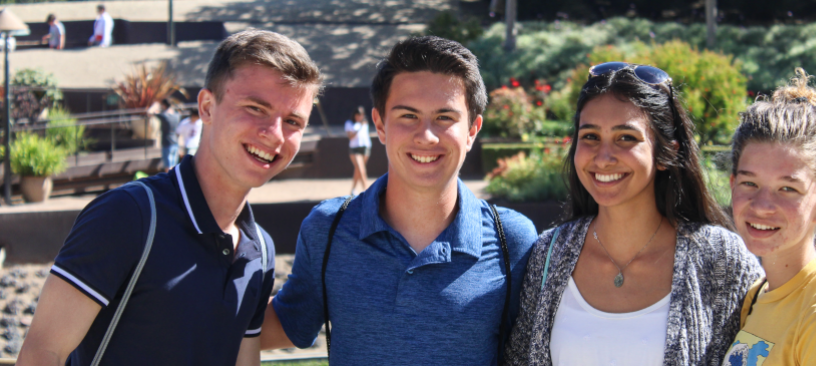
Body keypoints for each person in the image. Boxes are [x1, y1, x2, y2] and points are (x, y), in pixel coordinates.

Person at [18, 29, 322, 366]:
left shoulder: (259, 249)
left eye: (293, 121)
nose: (275, 134)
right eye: (255, 108)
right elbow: (41, 353)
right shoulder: (129, 215)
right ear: (207, 106)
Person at [260, 36, 539, 365]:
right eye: (408, 116)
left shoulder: (513, 240)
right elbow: (284, 323)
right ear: (380, 125)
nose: (426, 136)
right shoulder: (328, 229)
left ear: (472, 130)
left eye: (444, 118)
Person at [504, 62, 763, 366]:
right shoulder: (548, 254)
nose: (603, 158)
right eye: (590, 136)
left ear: (667, 152)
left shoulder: (721, 259)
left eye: (626, 137)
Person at [722, 68, 816, 366]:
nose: (762, 205)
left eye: (787, 188)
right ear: (732, 184)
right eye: (750, 183)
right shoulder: (757, 296)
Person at [344, 106, 371, 195]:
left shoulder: (365, 123)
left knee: (358, 170)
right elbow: (350, 136)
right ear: (355, 115)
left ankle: (353, 190)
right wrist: (359, 127)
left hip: (365, 148)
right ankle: (367, 190)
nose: (359, 116)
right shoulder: (349, 123)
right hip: (355, 149)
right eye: (358, 114)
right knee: (361, 169)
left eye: (361, 115)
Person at [154, 99, 181, 172]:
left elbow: (151, 112)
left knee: (168, 166)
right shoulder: (177, 115)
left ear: (164, 105)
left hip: (167, 143)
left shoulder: (164, 116)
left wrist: (155, 106)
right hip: (175, 142)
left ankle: (170, 181)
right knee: (174, 165)